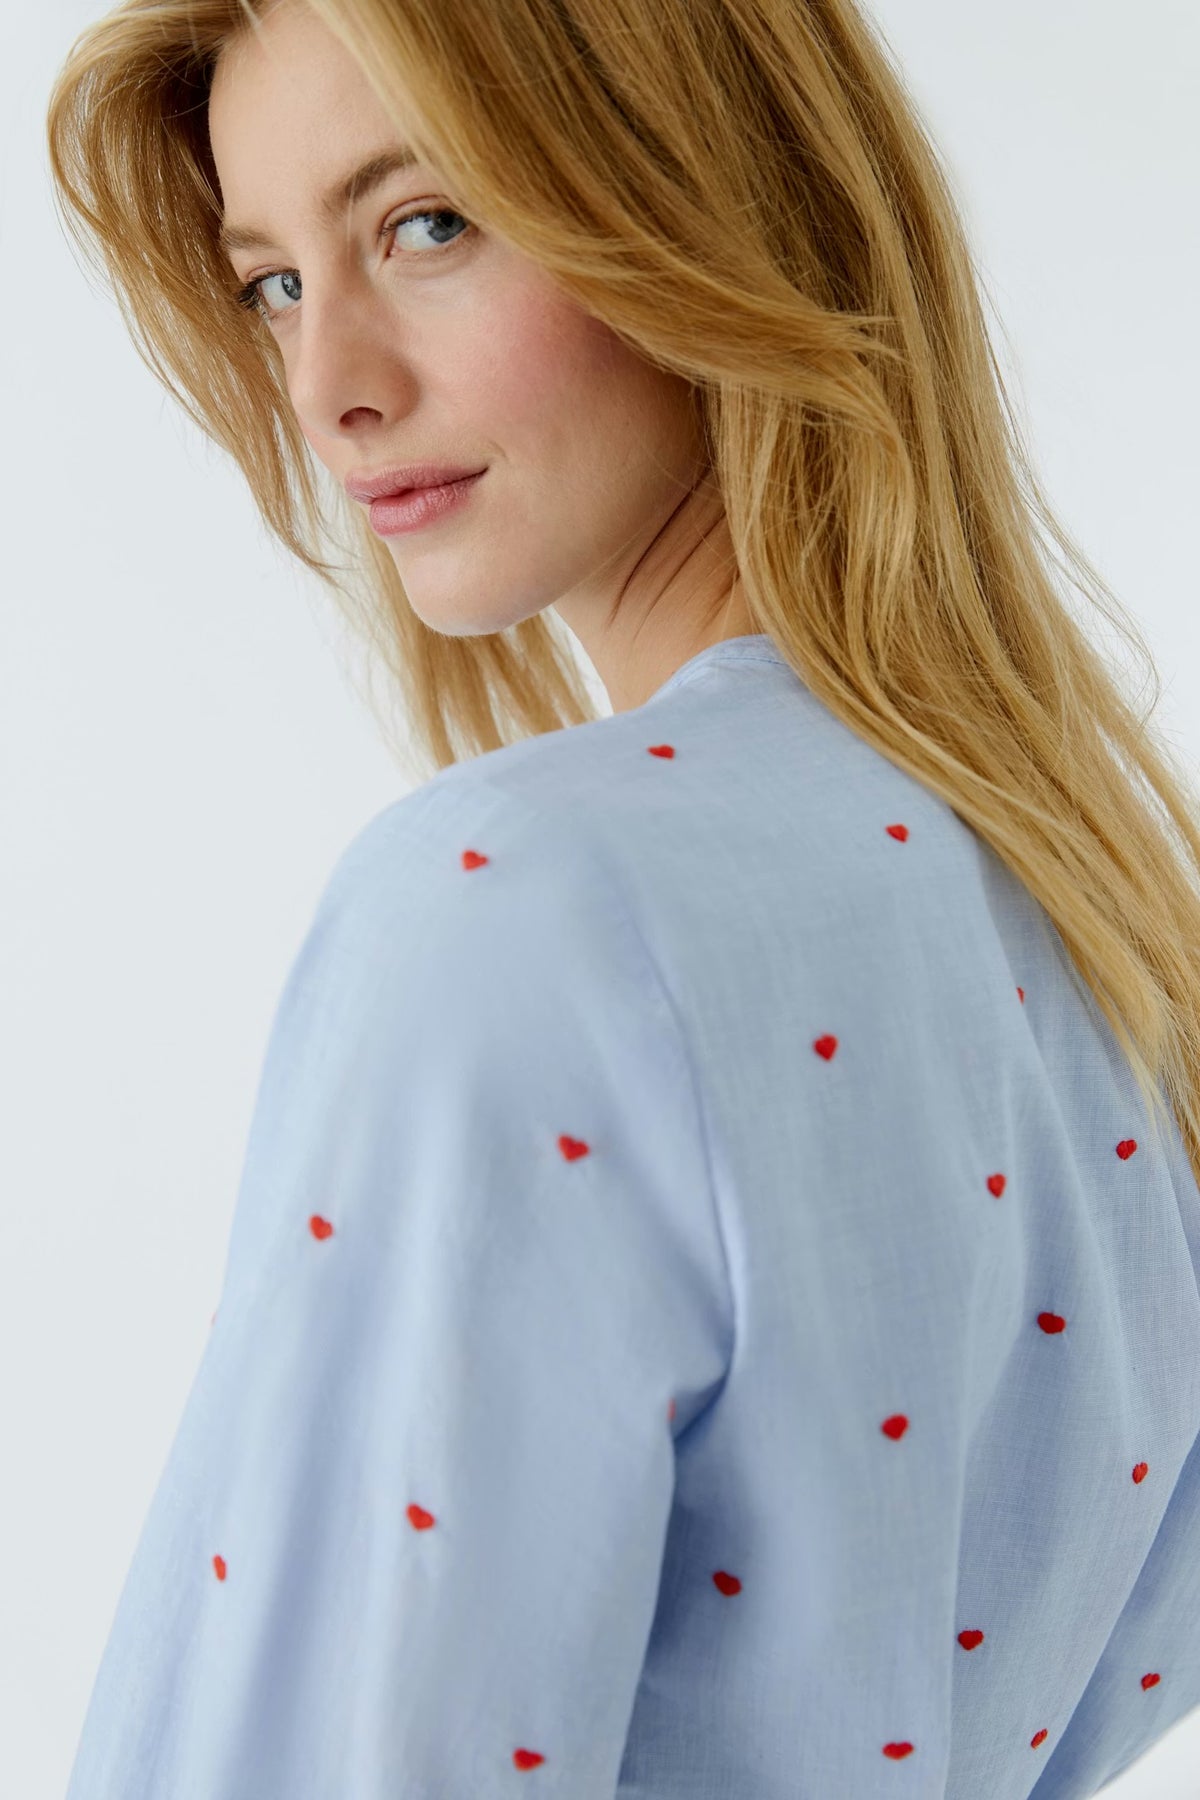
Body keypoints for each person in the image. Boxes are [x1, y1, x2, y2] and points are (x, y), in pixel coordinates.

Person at [45, 1, 1200, 1795]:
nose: (328, 382)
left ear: (703, 198)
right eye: (271, 281)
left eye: (426, 224)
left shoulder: (522, 917)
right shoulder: (1098, 908)